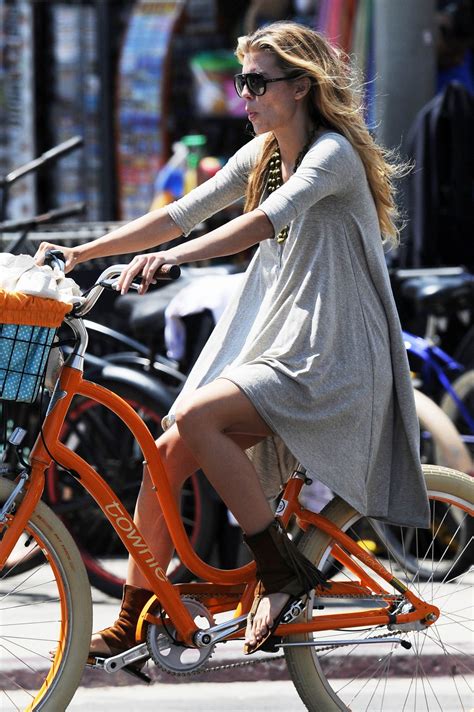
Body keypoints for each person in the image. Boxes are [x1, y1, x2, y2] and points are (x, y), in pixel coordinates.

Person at [35, 21, 430, 659]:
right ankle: (138, 613)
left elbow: (259, 223)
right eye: (239, 83)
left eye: (254, 83)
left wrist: (174, 260)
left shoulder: (330, 155)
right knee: (166, 453)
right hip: (289, 344)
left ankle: (281, 570)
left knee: (194, 416)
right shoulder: (265, 152)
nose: (241, 97)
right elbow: (176, 214)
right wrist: (85, 251)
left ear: (300, 88)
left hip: (333, 351)